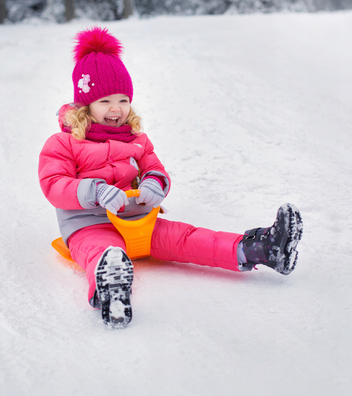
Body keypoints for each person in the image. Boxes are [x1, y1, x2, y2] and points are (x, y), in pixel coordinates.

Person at [38, 27, 303, 329]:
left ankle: (261, 249)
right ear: (85, 105)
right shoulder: (63, 143)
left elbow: (156, 170)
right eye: (105, 101)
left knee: (186, 236)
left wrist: (155, 184)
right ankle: (111, 286)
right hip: (90, 225)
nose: (116, 109)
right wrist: (95, 191)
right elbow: (53, 184)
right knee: (103, 251)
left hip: (138, 221)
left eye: (124, 100)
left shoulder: (137, 139)